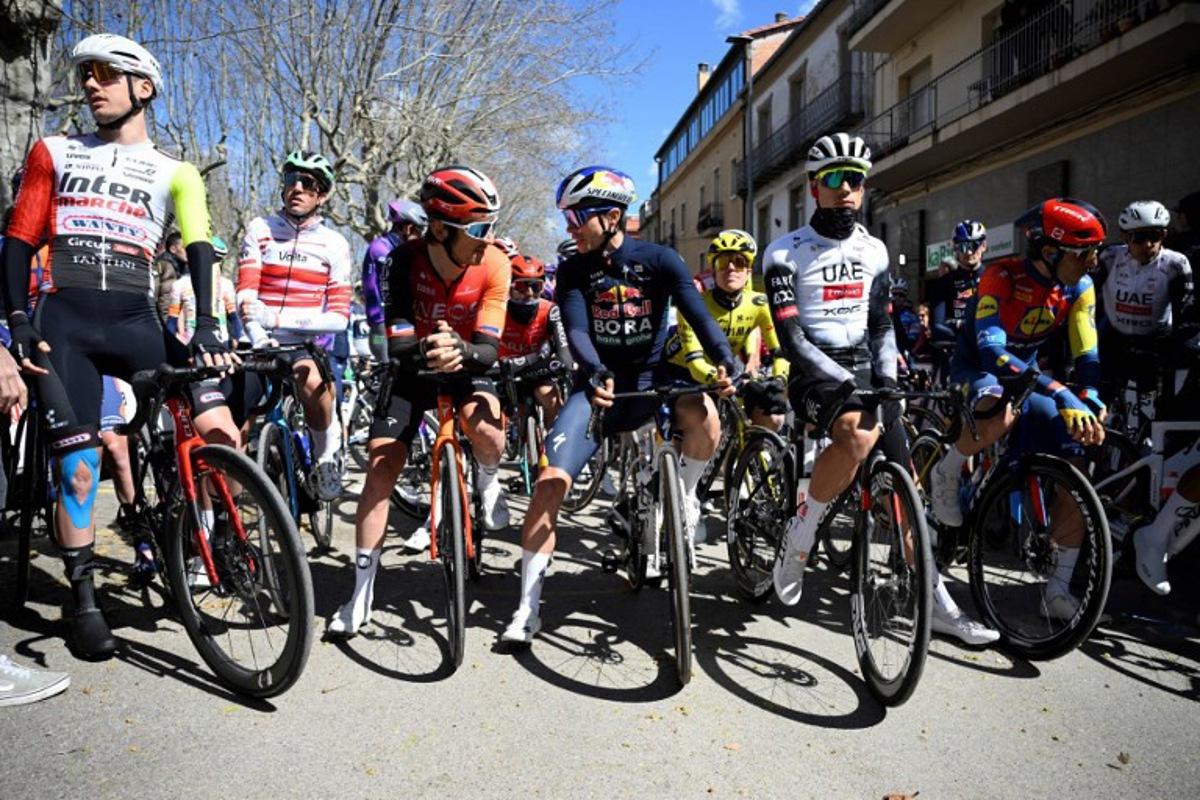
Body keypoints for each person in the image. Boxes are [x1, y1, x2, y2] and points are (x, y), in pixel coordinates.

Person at [2, 33, 239, 660]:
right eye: (85, 75)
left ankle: (212, 537)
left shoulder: (177, 172)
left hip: (138, 318)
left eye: (106, 75)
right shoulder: (52, 150)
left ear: (144, 87)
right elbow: (21, 240)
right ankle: (83, 603)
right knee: (79, 471)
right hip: (66, 325)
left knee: (218, 427)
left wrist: (209, 326)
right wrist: (19, 319)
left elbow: (200, 249)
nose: (90, 85)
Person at [763, 133, 998, 645]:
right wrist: (848, 382)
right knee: (856, 433)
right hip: (815, 372)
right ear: (813, 187)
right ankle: (798, 536)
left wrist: (887, 379)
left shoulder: (874, 249)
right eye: (834, 179)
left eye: (856, 180)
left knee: (907, 490)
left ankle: (935, 599)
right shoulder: (784, 252)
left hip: (869, 368)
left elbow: (881, 324)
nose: (846, 189)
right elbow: (791, 337)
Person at [500, 165, 738, 644]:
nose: (568, 228)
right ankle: (527, 609)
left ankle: (685, 497)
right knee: (549, 482)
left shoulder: (661, 260)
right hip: (597, 386)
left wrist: (725, 361)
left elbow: (697, 315)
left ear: (610, 216)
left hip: (651, 379)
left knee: (706, 420)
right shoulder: (572, 269)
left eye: (575, 218)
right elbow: (579, 330)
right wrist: (593, 372)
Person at [328, 165, 511, 636]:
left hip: (467, 365)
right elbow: (399, 337)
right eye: (478, 229)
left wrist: (463, 352)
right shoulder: (403, 260)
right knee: (381, 466)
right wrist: (432, 348)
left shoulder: (494, 263)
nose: (488, 238)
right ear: (440, 227)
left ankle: (487, 480)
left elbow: (490, 349)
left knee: (488, 431)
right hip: (412, 368)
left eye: (490, 226)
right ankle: (361, 591)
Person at [927, 197, 1108, 623]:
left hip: (1029, 373)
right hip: (977, 367)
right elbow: (992, 355)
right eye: (1085, 253)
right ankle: (948, 468)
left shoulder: (1079, 285)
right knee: (997, 407)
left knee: (1077, 459)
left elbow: (1087, 346)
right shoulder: (999, 275)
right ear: (1051, 252)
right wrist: (1062, 392)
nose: (1094, 262)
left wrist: (1091, 395)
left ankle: (1058, 589)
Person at [237, 150, 353, 501]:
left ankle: (323, 457)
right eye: (291, 180)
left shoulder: (335, 243)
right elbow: (246, 294)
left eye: (308, 183)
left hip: (302, 342)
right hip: (256, 340)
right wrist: (259, 334)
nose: (297, 188)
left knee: (316, 384)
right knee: (235, 421)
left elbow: (338, 317)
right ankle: (229, 508)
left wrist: (277, 319)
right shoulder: (260, 229)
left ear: (322, 194)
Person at [666, 228, 788, 432]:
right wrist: (720, 379)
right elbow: (696, 364)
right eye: (723, 262)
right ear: (714, 271)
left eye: (739, 262)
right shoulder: (694, 305)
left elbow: (779, 352)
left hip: (726, 370)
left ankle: (756, 454)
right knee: (703, 422)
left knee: (773, 417)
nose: (731, 268)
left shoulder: (759, 303)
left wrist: (779, 379)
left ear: (749, 270)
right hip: (683, 372)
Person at [1094, 200, 1195, 403]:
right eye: (1139, 238)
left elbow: (1185, 312)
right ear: (1124, 236)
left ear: (1164, 235)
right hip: (1114, 337)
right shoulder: (1109, 257)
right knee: (1102, 397)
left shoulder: (1176, 264)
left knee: (1155, 404)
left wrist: (1183, 348)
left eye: (1155, 236)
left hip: (1156, 340)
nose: (1147, 245)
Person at [362, 199, 428, 362]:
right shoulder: (380, 248)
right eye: (419, 231)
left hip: (402, 322)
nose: (421, 236)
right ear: (408, 227)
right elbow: (375, 287)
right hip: (381, 327)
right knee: (390, 367)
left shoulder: (403, 249)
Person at [166, 236, 242, 344]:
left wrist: (237, 339)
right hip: (191, 344)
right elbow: (172, 320)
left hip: (222, 343)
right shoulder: (179, 284)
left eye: (218, 260)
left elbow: (233, 317)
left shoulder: (226, 284)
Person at [927, 220, 987, 342]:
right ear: (955, 248)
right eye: (963, 246)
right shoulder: (943, 283)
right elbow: (937, 326)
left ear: (984, 246)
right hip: (957, 351)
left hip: (989, 349)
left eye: (974, 245)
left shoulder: (995, 277)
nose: (969, 252)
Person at [153, 230, 185, 323]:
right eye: (184, 248)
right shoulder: (165, 266)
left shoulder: (182, 267)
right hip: (164, 322)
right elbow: (162, 300)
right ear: (173, 249)